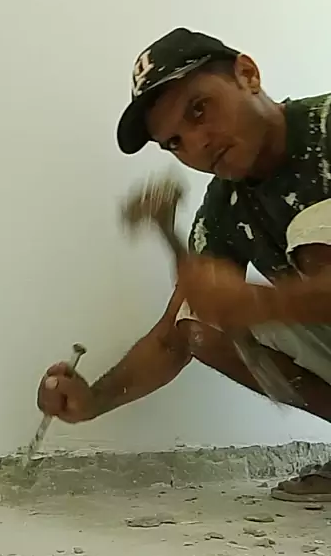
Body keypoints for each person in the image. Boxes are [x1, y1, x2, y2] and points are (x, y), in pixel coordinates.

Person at [38, 27, 331, 503]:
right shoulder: (225, 208)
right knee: (198, 321)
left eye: (199, 109)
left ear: (248, 74)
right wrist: (94, 401)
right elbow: (170, 337)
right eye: (175, 142)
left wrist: (259, 302)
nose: (197, 145)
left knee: (316, 228)